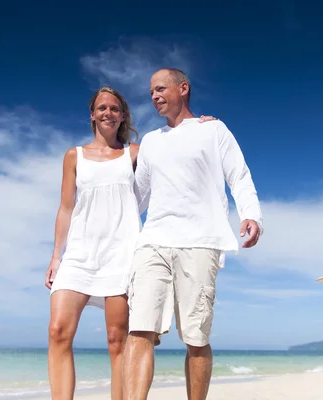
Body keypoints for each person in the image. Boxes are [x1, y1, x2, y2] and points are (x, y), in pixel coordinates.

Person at [44, 86, 217, 400]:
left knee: (117, 340)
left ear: (122, 115)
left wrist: (200, 127)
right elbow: (66, 207)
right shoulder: (74, 156)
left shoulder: (134, 153)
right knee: (58, 331)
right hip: (79, 254)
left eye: (114, 108)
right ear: (92, 115)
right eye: (101, 108)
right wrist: (57, 256)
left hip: (123, 252)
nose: (107, 113)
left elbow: (175, 150)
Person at [123, 68, 263, 400]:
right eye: (151, 92)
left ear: (182, 88)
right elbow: (136, 197)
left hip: (201, 242)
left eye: (160, 89)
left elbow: (239, 175)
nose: (154, 96)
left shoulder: (213, 130)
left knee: (196, 338)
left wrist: (252, 215)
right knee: (139, 329)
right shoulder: (152, 142)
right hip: (153, 242)